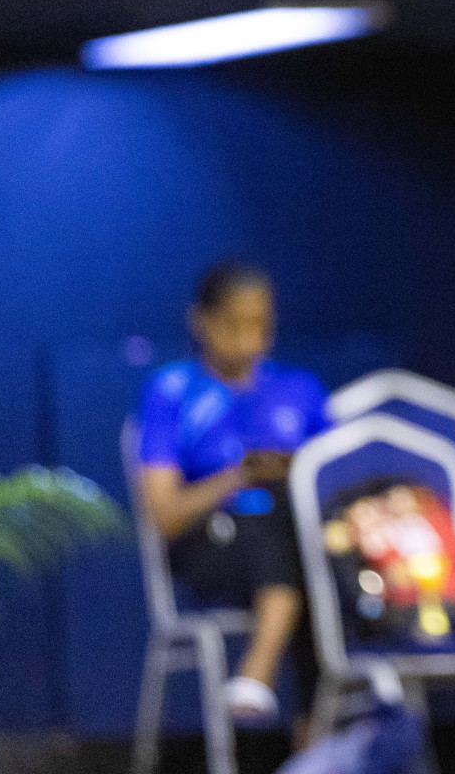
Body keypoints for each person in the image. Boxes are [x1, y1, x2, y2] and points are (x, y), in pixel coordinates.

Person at [138, 261, 329, 724]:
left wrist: (295, 472)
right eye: (234, 326)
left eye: (260, 326)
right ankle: (262, 672)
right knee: (285, 539)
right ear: (200, 320)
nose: (249, 341)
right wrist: (238, 477)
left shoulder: (300, 389)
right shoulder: (172, 391)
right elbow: (164, 514)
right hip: (209, 548)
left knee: (315, 550)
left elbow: (337, 480)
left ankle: (316, 733)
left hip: (301, 544)